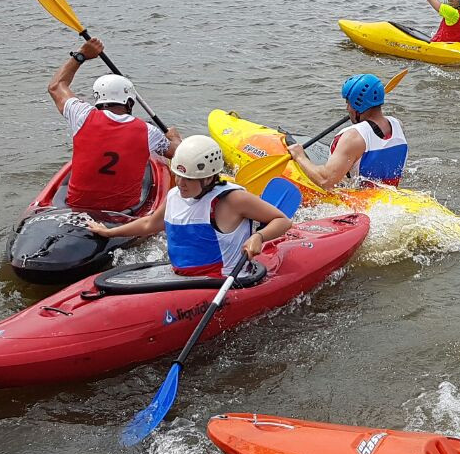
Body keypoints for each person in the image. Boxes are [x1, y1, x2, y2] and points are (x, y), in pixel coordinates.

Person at [88, 136, 291, 277]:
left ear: (209, 177)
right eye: (178, 175)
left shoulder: (233, 200)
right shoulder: (175, 195)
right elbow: (149, 224)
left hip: (222, 280)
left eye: (188, 178)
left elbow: (282, 220)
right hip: (184, 278)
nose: (180, 183)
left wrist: (258, 236)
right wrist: (109, 233)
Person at [48, 36, 180, 212]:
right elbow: (183, 155)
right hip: (121, 213)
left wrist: (81, 55)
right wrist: (174, 137)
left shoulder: (81, 114)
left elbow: (56, 86)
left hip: (76, 207)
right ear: (130, 102)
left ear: (98, 99)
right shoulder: (148, 131)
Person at [286, 74, 407, 190]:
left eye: (348, 103)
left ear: (357, 104)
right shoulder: (397, 125)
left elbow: (326, 181)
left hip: (361, 202)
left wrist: (299, 156)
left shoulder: (353, 137)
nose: (347, 108)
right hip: (389, 195)